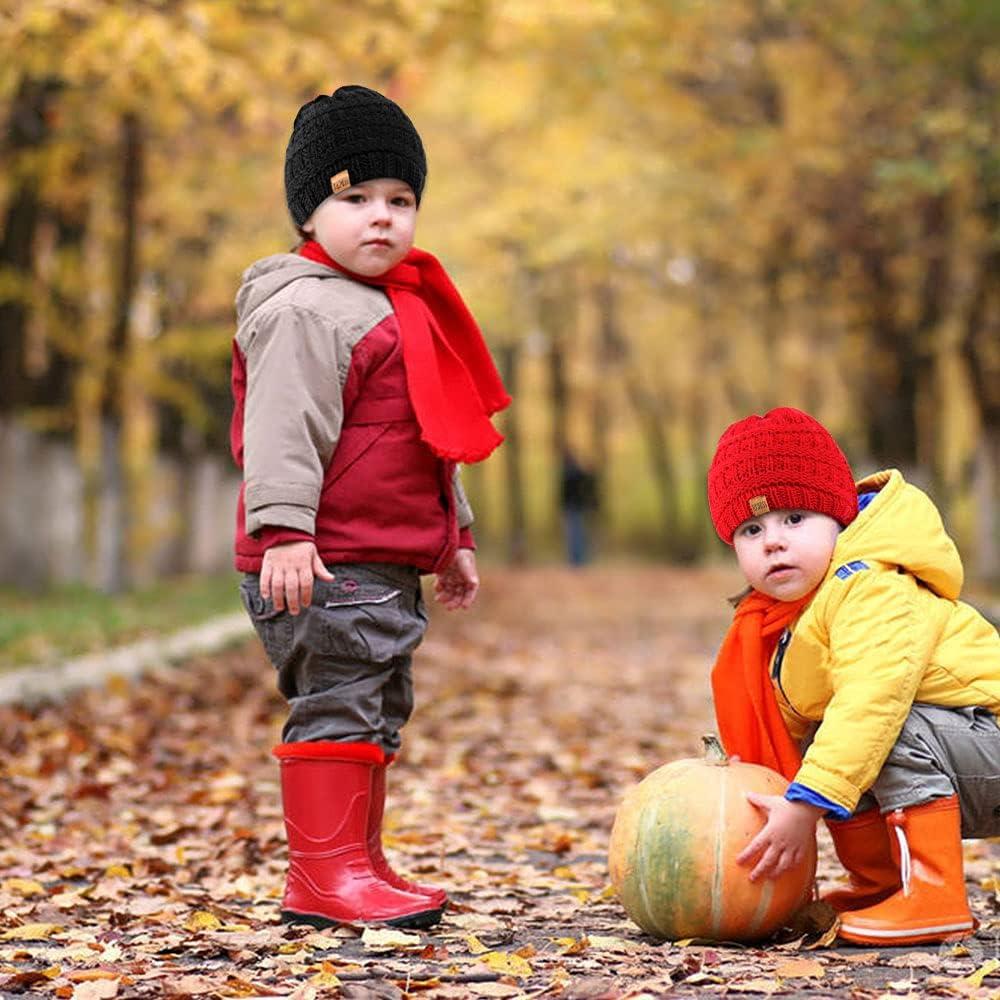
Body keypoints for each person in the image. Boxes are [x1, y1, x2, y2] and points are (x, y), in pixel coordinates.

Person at [229, 85, 510, 930]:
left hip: (378, 555)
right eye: (355, 199)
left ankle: (356, 861)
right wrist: (285, 530)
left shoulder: (394, 307)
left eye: (401, 199)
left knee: (378, 703)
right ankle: (324, 878)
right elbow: (281, 428)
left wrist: (455, 535)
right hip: (321, 556)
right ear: (309, 213)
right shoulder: (306, 309)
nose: (381, 216)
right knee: (340, 698)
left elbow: (427, 434)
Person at [706, 406, 1000, 946]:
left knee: (880, 726)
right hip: (968, 754)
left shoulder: (871, 585)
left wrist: (805, 803)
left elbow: (873, 698)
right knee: (828, 737)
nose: (773, 541)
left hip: (990, 741)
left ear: (839, 517)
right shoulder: (791, 615)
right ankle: (882, 885)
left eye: (795, 519)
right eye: (752, 529)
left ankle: (935, 895)